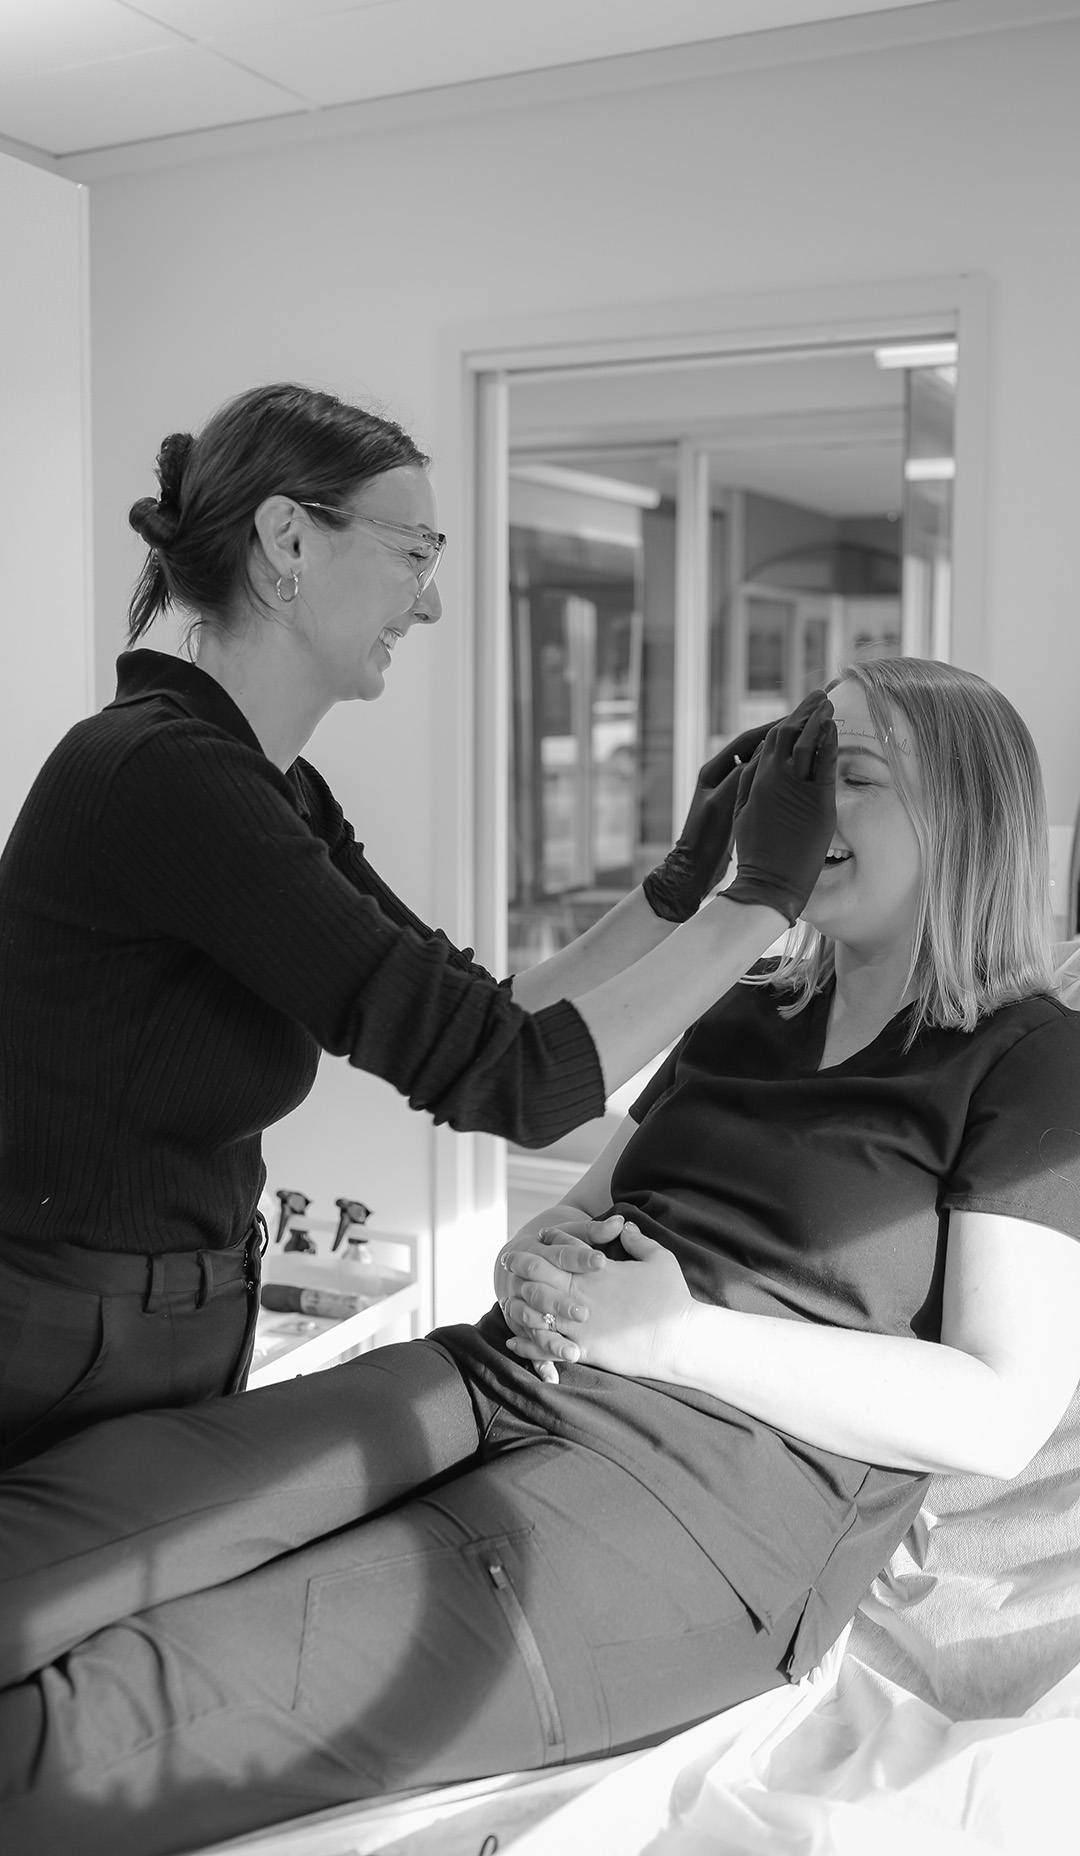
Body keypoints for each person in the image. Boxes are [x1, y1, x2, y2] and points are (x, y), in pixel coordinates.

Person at [1, 655, 1078, 1856]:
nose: (809, 805)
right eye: (801, 770)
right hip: (498, 1377)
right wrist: (536, 1255)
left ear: (961, 813)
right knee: (58, 1534)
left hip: (702, 1509)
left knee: (114, 1721)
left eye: (851, 777)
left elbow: (1000, 1410)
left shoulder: (1033, 1060)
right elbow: (582, 1208)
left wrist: (681, 1336)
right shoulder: (744, 1012)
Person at [0, 381, 830, 1466]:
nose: (429, 604)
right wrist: (760, 901)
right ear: (287, 538)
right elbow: (514, 1081)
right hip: (70, 1336)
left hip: (173, 1314)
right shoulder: (163, 775)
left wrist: (676, 891)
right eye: (413, 553)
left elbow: (491, 1017)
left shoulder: (271, 788)